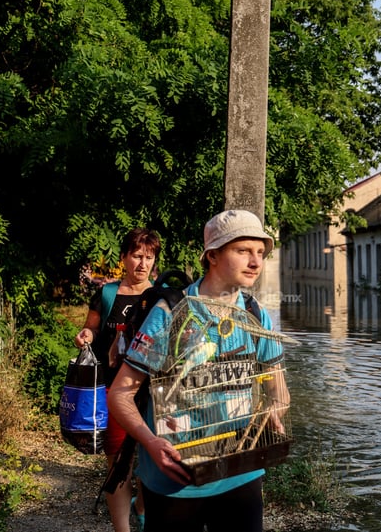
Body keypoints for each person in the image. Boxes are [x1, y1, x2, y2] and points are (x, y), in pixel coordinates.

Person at [107, 209, 291, 532]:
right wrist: (151, 443)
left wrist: (274, 411)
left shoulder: (255, 315)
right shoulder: (170, 315)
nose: (256, 262)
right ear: (213, 255)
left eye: (260, 252)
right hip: (176, 481)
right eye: (243, 250)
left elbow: (279, 392)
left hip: (240, 474)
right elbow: (120, 394)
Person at [75, 227, 160, 532]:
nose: (142, 263)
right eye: (137, 256)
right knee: (117, 462)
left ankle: (142, 505)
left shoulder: (160, 297)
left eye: (149, 257)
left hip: (154, 391)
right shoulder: (108, 293)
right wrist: (87, 335)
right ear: (123, 257)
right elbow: (92, 330)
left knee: (152, 457)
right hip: (113, 388)